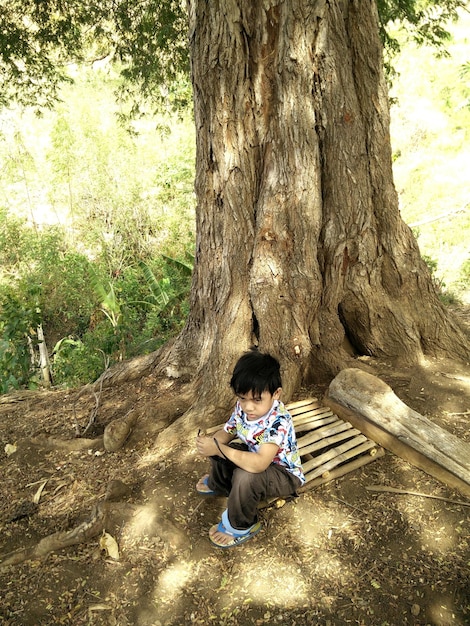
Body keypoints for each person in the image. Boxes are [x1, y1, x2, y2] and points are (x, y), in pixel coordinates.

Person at [195, 349, 305, 548]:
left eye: (256, 400)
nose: (248, 407)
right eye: (242, 398)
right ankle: (220, 484)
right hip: (255, 460)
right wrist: (212, 444)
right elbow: (227, 431)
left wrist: (220, 449)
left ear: (276, 394)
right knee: (224, 448)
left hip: (283, 474)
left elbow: (260, 464)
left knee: (246, 475)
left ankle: (241, 525)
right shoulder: (243, 408)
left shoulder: (278, 421)